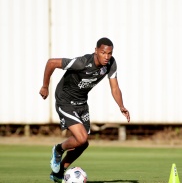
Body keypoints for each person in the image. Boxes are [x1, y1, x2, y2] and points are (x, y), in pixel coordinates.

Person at [39, 37, 130, 183]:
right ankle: (58, 149)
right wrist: (45, 86)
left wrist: (121, 106)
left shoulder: (111, 64)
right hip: (65, 100)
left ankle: (58, 173)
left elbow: (114, 87)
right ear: (96, 51)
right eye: (103, 53)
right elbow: (52, 63)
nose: (107, 57)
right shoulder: (82, 63)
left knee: (83, 143)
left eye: (110, 53)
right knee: (81, 138)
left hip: (82, 103)